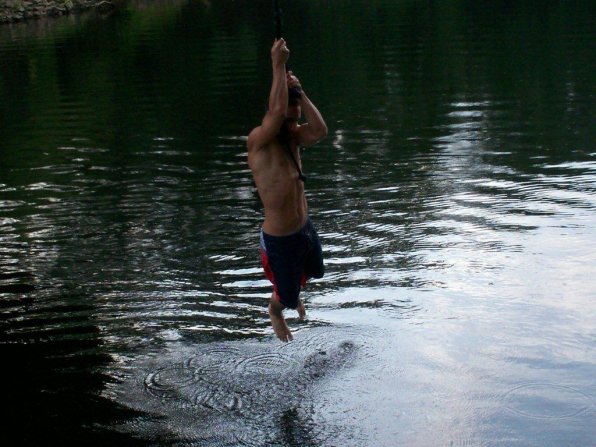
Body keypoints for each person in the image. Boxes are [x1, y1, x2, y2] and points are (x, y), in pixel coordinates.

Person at [247, 38, 328, 342]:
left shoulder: (293, 138)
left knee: (317, 271)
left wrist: (301, 92)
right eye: (290, 121)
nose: (295, 125)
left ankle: (289, 290)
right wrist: (277, 65)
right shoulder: (259, 142)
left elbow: (320, 130)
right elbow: (278, 110)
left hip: (305, 227)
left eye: (297, 120)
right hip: (280, 239)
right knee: (289, 298)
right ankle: (275, 310)